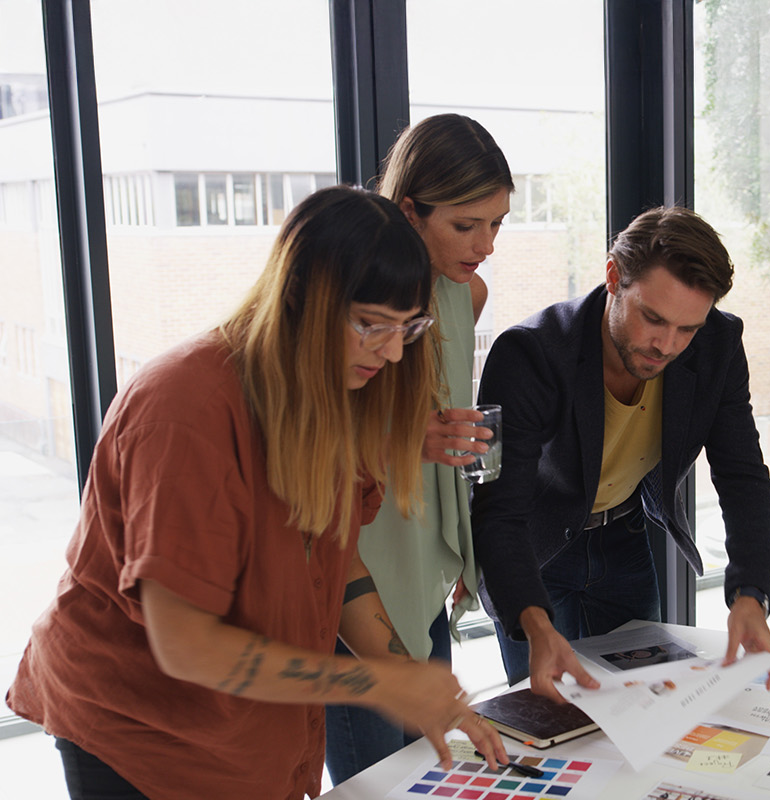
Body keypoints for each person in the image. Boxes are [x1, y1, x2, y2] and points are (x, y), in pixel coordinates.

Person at [5, 186, 507, 800]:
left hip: (248, 727)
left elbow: (336, 553)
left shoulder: (332, 387)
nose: (394, 351)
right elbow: (186, 644)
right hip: (136, 732)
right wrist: (372, 685)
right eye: (371, 325)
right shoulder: (184, 408)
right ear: (300, 298)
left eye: (409, 327)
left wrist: (402, 672)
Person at [472, 205, 770, 701]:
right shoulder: (530, 353)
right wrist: (533, 621)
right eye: (653, 318)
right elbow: (498, 509)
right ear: (614, 276)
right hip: (537, 555)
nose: (667, 345)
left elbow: (742, 473)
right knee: (560, 724)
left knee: (648, 709)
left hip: (624, 541)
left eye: (687, 329)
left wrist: (750, 594)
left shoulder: (718, 343)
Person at [324, 113, 513, 784]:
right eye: (467, 225)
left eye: (497, 223)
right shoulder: (349, 298)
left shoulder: (468, 291)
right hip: (358, 567)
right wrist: (406, 440)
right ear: (409, 210)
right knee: (373, 778)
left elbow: (443, 425)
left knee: (429, 772)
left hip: (423, 558)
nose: (485, 244)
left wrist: (456, 539)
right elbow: (311, 446)